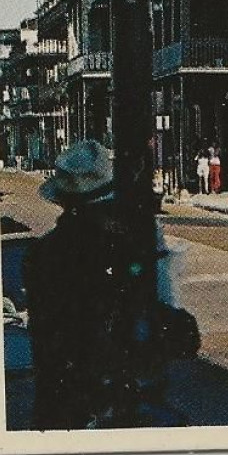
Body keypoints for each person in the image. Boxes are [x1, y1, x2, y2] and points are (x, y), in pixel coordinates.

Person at [23, 140, 200, 429]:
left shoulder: (41, 255)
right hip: (92, 413)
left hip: (56, 414)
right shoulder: (104, 261)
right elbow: (179, 337)